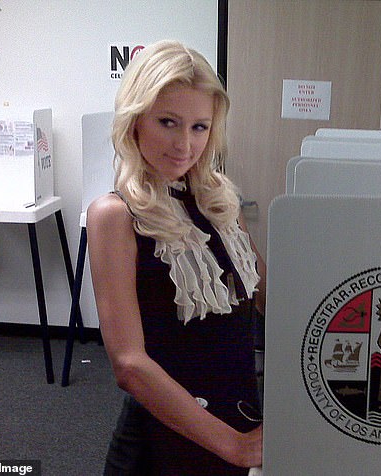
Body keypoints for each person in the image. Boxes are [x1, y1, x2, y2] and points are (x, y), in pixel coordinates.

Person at [87, 39, 265, 475]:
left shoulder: (221, 201)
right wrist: (236, 447)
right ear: (135, 122)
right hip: (166, 441)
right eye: (168, 122)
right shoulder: (114, 215)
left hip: (239, 415)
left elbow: (260, 295)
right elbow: (129, 365)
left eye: (199, 127)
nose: (184, 145)